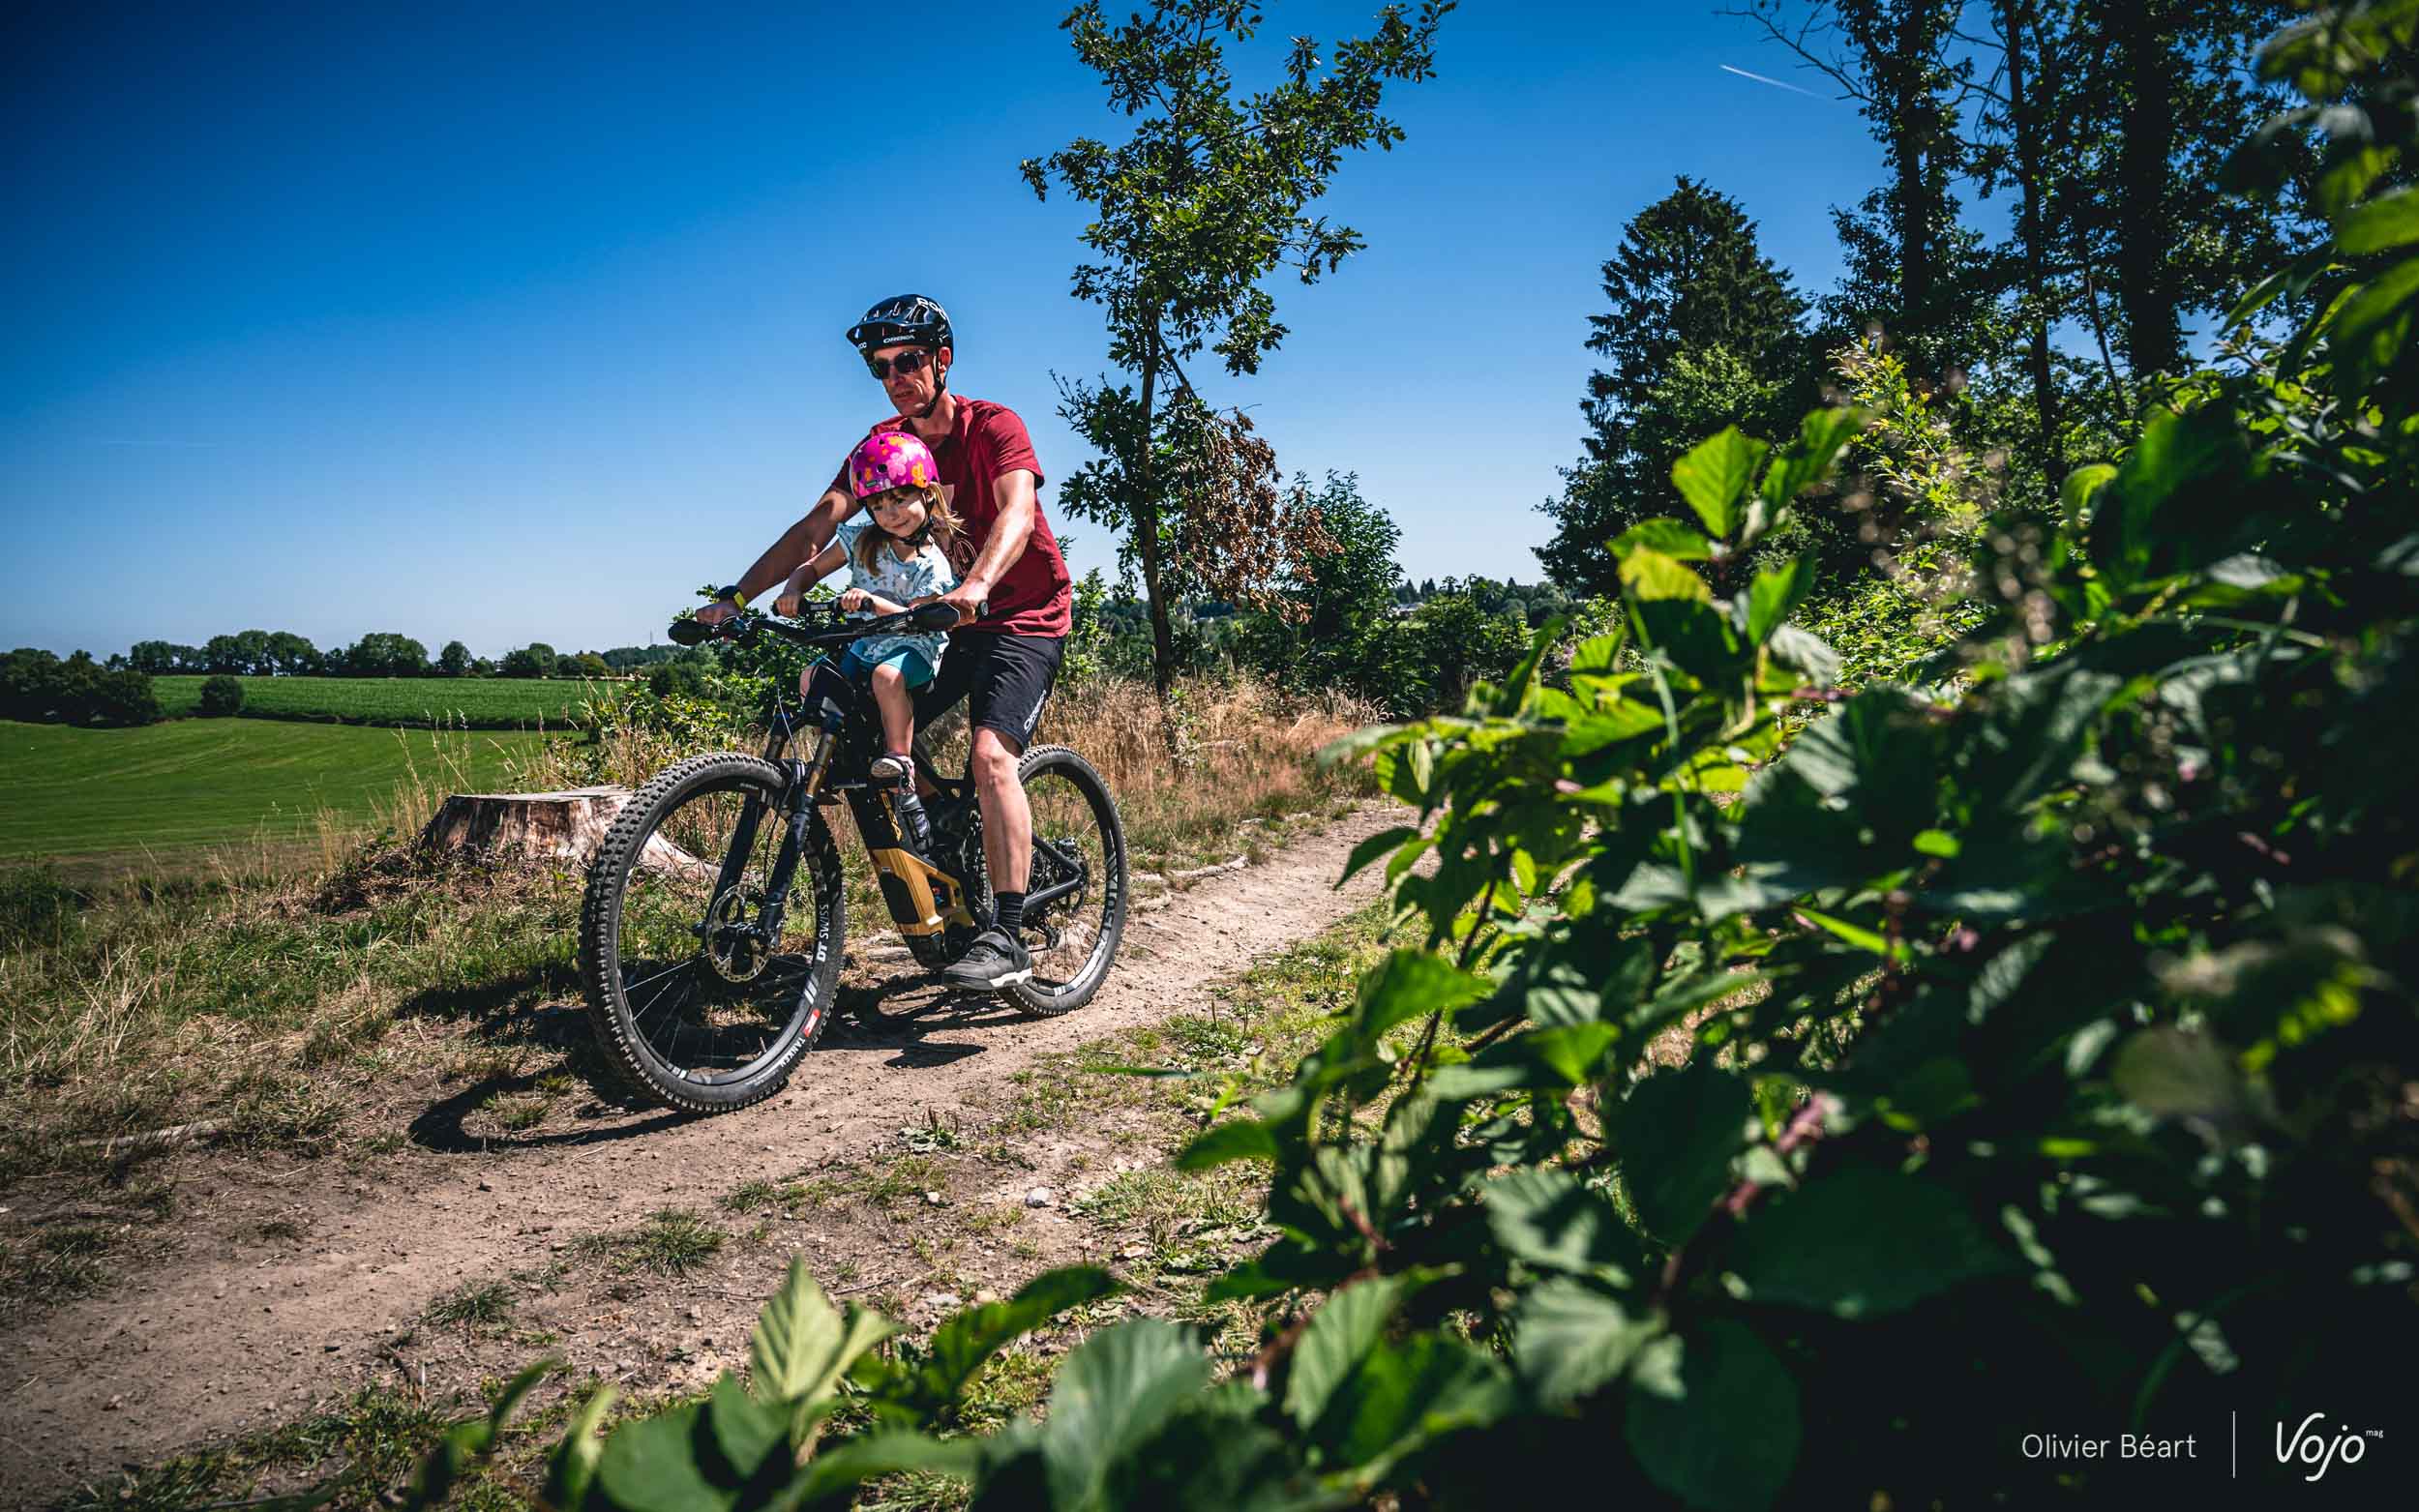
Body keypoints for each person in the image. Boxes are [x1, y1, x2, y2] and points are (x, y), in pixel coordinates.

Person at [698, 293, 1072, 991]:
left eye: (908, 361)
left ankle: (1009, 933)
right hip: (930, 617)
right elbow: (819, 528)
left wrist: (977, 584)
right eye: (881, 367)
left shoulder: (994, 427)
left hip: (1018, 613)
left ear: (942, 359)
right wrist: (735, 596)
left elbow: (1019, 511)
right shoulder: (883, 449)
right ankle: (946, 838)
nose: (896, 376)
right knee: (864, 725)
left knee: (992, 756)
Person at [770, 430, 960, 854]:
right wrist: (794, 589)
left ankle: (900, 763)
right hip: (865, 641)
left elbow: (920, 619)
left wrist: (875, 603)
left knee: (886, 678)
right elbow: (810, 569)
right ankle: (829, 765)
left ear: (927, 495)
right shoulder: (860, 540)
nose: (889, 513)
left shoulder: (933, 563)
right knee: (814, 678)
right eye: (877, 504)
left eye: (898, 499)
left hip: (914, 647)